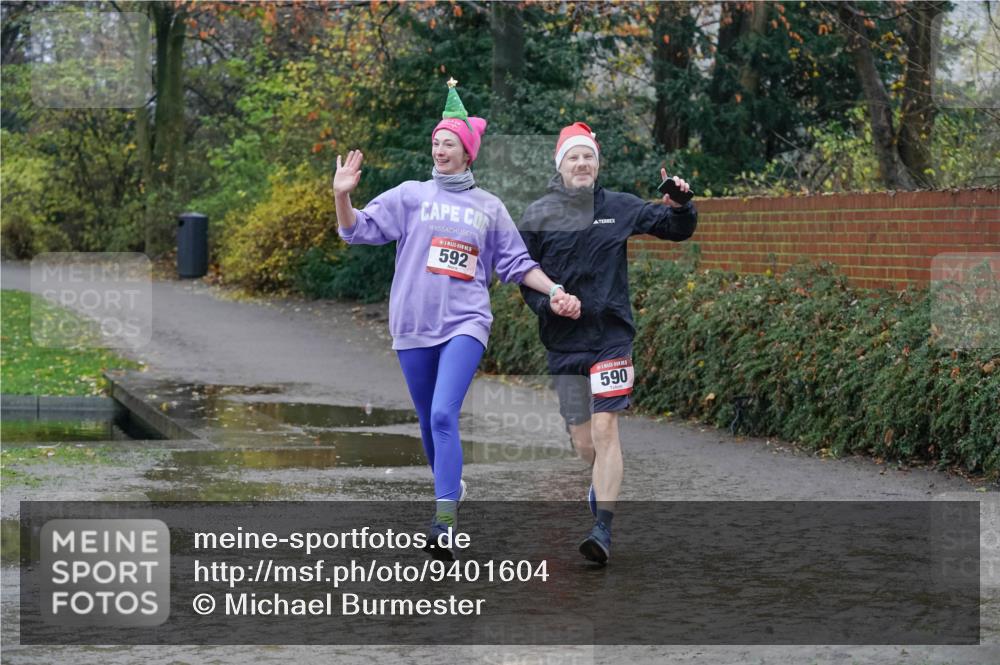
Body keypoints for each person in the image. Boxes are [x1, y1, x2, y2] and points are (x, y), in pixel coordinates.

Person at [331, 79, 581, 560]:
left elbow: (517, 264)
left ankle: (443, 521)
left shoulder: (488, 208)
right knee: (429, 423)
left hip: (466, 323)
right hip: (412, 326)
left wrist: (555, 290)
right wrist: (343, 196)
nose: (439, 148)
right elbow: (355, 230)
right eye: (435, 142)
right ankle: (451, 486)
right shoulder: (410, 196)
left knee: (445, 413)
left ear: (468, 153)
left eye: (449, 143)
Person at [518, 122, 697, 565]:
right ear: (560, 166)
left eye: (588, 157)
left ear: (597, 164)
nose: (582, 164)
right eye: (573, 158)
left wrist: (681, 205)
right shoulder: (538, 214)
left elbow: (673, 227)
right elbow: (523, 275)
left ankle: (603, 529)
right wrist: (549, 305)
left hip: (611, 337)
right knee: (584, 442)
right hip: (564, 344)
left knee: (606, 429)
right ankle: (598, 482)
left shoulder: (618, 207)